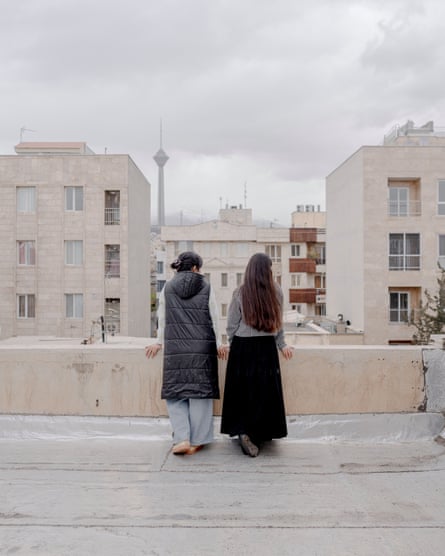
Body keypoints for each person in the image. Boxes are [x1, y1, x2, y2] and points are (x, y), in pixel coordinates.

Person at [145, 251, 225, 455]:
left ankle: (182, 438)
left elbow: (162, 318)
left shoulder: (168, 288)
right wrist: (219, 343)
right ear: (196, 268)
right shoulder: (206, 286)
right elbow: (214, 316)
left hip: (175, 349)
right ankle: (197, 440)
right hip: (202, 348)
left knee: (176, 394)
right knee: (200, 394)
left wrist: (158, 342)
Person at [220, 252, 293, 457]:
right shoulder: (276, 291)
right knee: (264, 391)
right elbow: (279, 322)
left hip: (243, 347)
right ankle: (260, 431)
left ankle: (244, 431)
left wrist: (234, 345)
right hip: (266, 347)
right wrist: (282, 344)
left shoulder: (240, 292)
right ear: (267, 270)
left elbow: (232, 324)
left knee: (242, 392)